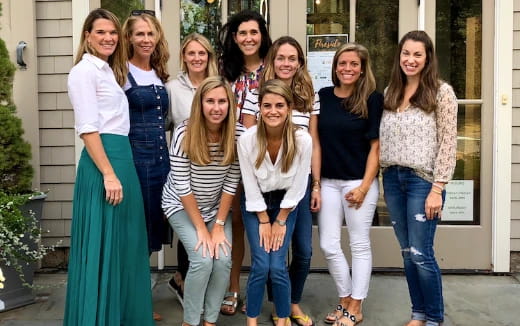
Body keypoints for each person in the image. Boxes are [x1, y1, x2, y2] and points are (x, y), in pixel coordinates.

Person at [64, 8, 154, 326]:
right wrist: (108, 173)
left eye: (113, 32)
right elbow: (88, 128)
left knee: (126, 244)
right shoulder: (83, 72)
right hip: (105, 164)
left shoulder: (106, 71)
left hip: (122, 160)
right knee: (105, 245)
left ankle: (124, 315)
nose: (108, 38)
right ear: (87, 35)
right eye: (101, 32)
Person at [380, 30, 457, 326]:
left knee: (422, 253)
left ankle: (435, 318)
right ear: (399, 56)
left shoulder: (441, 93)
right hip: (393, 180)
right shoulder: (391, 92)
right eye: (406, 53)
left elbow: (449, 144)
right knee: (407, 252)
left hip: (423, 181)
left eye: (417, 54)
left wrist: (437, 189)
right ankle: (418, 314)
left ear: (427, 59)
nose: (410, 60)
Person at [241, 36, 320, 326]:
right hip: (261, 190)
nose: (286, 63)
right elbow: (251, 158)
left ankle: (287, 307)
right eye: (281, 57)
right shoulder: (253, 113)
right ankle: (267, 312)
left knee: (301, 251)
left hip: (292, 192)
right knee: (266, 262)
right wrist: (263, 217)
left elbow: (313, 147)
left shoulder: (307, 105)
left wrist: (316, 185)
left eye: (292, 58)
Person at [162, 76, 243, 326]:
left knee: (223, 260)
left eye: (222, 101)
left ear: (230, 104)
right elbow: (183, 186)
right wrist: (201, 229)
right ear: (200, 103)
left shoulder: (238, 134)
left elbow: (231, 183)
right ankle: (190, 321)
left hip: (216, 207)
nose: (216, 107)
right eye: (210, 101)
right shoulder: (184, 132)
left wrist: (218, 225)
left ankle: (209, 321)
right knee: (201, 258)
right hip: (180, 204)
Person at [317, 43, 383, 326]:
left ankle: (355, 306)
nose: (347, 68)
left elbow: (376, 147)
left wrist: (365, 187)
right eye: (342, 63)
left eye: (353, 64)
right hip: (329, 182)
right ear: (335, 66)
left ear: (362, 68)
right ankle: (345, 298)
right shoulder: (323, 96)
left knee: (359, 244)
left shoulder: (372, 98)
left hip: (358, 181)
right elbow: (315, 141)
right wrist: (317, 184)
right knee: (329, 244)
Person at [218, 9, 272, 315]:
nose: (248, 38)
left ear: (262, 35)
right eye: (242, 33)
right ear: (235, 38)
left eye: (254, 32)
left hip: (269, 157)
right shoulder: (226, 70)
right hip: (233, 155)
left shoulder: (274, 68)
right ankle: (234, 287)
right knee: (236, 222)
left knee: (272, 220)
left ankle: (271, 286)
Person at [121, 11, 170, 321]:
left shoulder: (159, 73)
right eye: (139, 34)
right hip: (135, 161)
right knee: (134, 235)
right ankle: (132, 302)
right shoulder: (120, 73)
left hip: (161, 162)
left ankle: (137, 298)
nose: (146, 39)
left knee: (151, 233)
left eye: (150, 33)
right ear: (129, 38)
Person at [165, 32, 219, 306]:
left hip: (213, 172)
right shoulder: (173, 88)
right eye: (191, 53)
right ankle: (183, 280)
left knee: (206, 231)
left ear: (208, 57)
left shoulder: (219, 86)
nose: (197, 58)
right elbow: (165, 125)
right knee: (189, 229)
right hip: (185, 168)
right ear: (184, 57)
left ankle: (186, 280)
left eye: (202, 53)